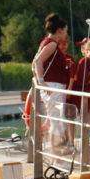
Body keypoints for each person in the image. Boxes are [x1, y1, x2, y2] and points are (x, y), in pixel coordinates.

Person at [31, 12, 71, 154]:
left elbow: (36, 62)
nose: (66, 34)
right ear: (59, 30)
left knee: (56, 119)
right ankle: (56, 152)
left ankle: (56, 150)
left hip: (53, 85)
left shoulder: (46, 42)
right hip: (53, 86)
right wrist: (41, 81)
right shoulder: (52, 43)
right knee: (56, 120)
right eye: (65, 31)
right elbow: (38, 61)